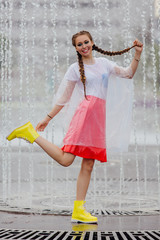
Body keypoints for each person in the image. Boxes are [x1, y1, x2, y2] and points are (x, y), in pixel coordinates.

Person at [6, 30, 143, 224]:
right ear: (76, 49)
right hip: (85, 115)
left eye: (86, 42)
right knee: (66, 159)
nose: (84, 46)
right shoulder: (74, 69)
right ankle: (30, 133)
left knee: (88, 164)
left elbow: (128, 74)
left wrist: (137, 53)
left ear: (92, 42)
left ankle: (79, 210)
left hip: (97, 118)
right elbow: (64, 98)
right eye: (79, 44)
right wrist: (47, 118)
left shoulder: (105, 64)